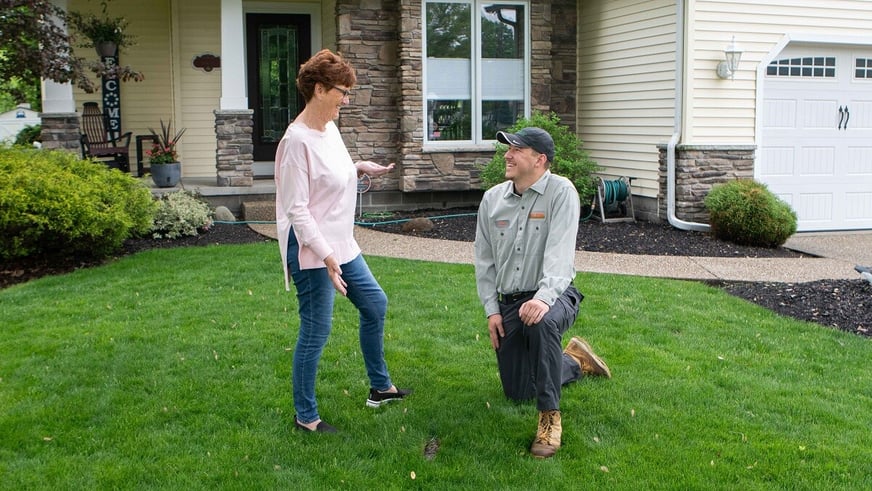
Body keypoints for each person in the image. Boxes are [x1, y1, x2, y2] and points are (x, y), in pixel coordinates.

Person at [275, 49, 410, 433]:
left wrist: (357, 167)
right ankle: (306, 416)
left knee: (374, 303)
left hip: (339, 242)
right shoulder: (294, 143)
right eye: (342, 92)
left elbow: (329, 172)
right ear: (319, 89)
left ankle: (380, 388)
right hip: (310, 247)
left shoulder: (329, 128)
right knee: (316, 329)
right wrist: (327, 259)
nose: (346, 100)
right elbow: (298, 210)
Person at [473, 127, 612, 458]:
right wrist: (492, 310)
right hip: (511, 300)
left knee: (542, 321)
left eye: (516, 150)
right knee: (518, 391)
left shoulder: (561, 192)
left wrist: (543, 297)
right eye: (508, 149)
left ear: (540, 160)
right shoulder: (492, 199)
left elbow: (561, 256)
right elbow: (484, 260)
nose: (507, 155)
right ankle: (575, 360)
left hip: (555, 293)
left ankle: (550, 419)